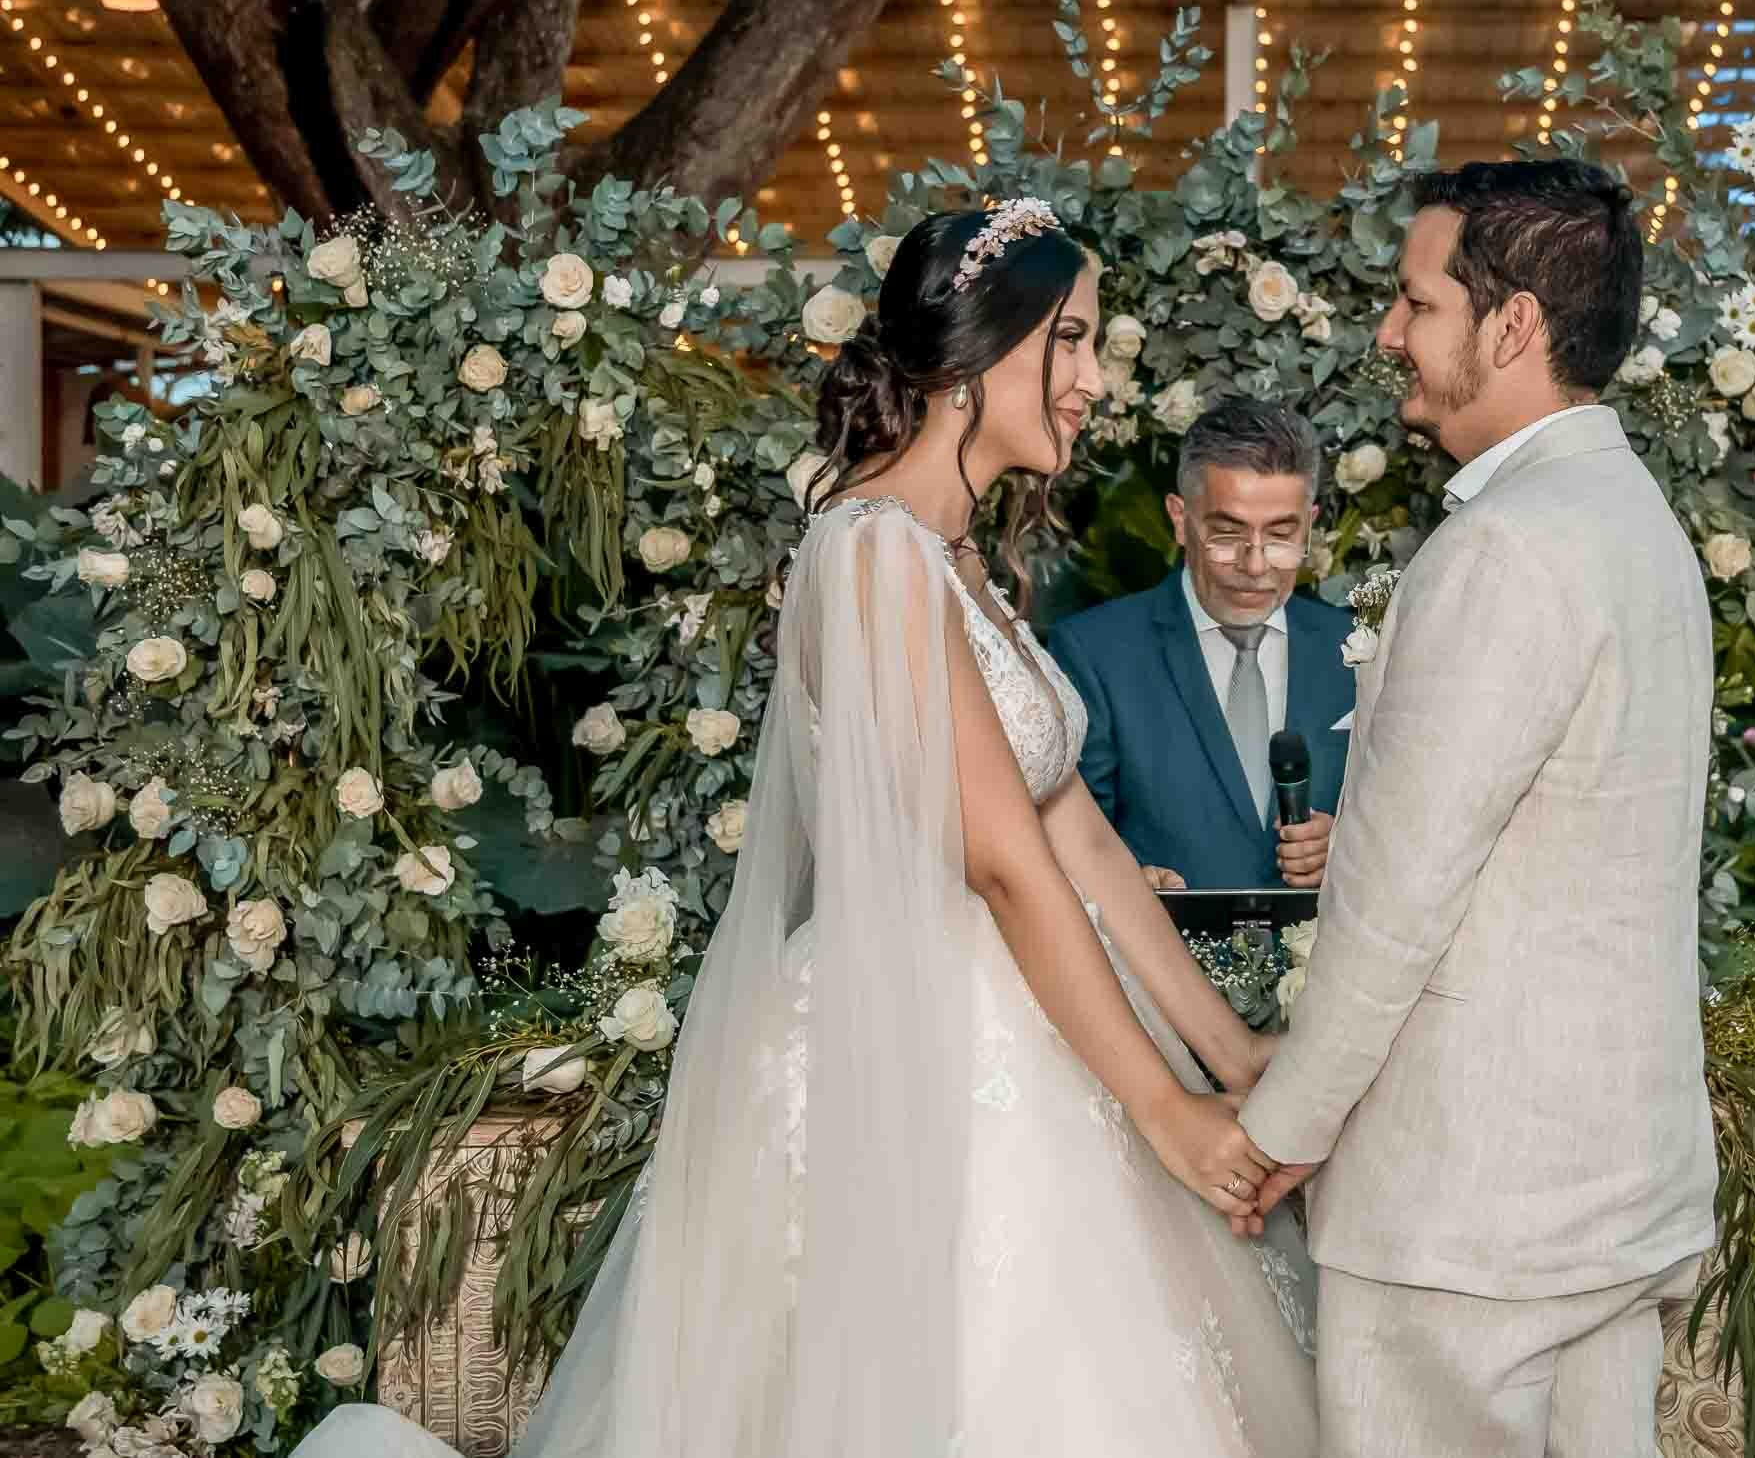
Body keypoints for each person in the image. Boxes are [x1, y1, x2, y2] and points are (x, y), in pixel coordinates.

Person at [298, 202, 1320, 1458]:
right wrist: (1163, 1108)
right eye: (1075, 341)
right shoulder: (872, 553)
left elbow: (1081, 837)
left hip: (1038, 1016)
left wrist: (1228, 1054)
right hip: (922, 1052)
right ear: (978, 356)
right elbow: (1003, 862)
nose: (1095, 381)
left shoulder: (958, 562)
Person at [1237, 159, 1719, 1458]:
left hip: (1473, 1217)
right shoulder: (1638, 523)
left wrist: (1275, 1131)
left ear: (1510, 326)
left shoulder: (1506, 548)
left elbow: (1399, 899)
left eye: (1417, 302)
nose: (1390, 331)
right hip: (1609, 1189)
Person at [1050, 398, 1356, 893]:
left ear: (1311, 522)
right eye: (1227, 533)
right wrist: (1129, 882)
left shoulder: (1358, 652)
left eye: (1280, 534)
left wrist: (1346, 850)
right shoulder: (1095, 652)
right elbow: (1065, 841)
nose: (1255, 565)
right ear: (1178, 517)